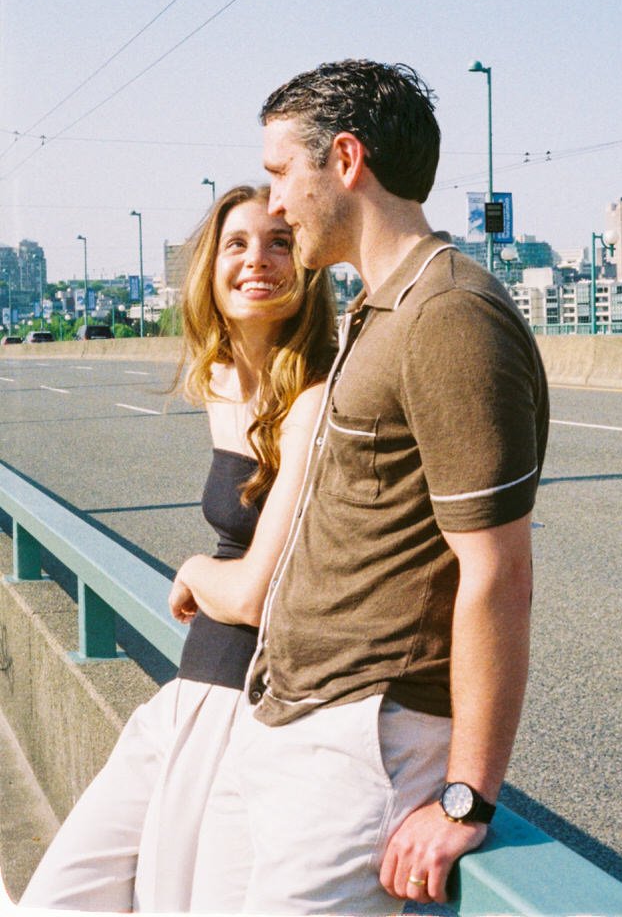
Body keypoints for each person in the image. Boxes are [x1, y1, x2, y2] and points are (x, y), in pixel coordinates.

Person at [189, 60, 550, 914]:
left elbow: (497, 572)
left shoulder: (449, 315)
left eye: (282, 174)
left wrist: (466, 796)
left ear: (345, 160)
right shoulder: (377, 309)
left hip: (367, 746)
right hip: (290, 722)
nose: (274, 203)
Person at [20, 184, 337, 912]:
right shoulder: (222, 377)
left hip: (251, 707)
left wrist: (196, 569)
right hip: (190, 691)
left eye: (280, 242)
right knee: (58, 898)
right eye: (237, 244)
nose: (258, 259)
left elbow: (257, 589)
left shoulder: (320, 389)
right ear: (210, 268)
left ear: (309, 265)